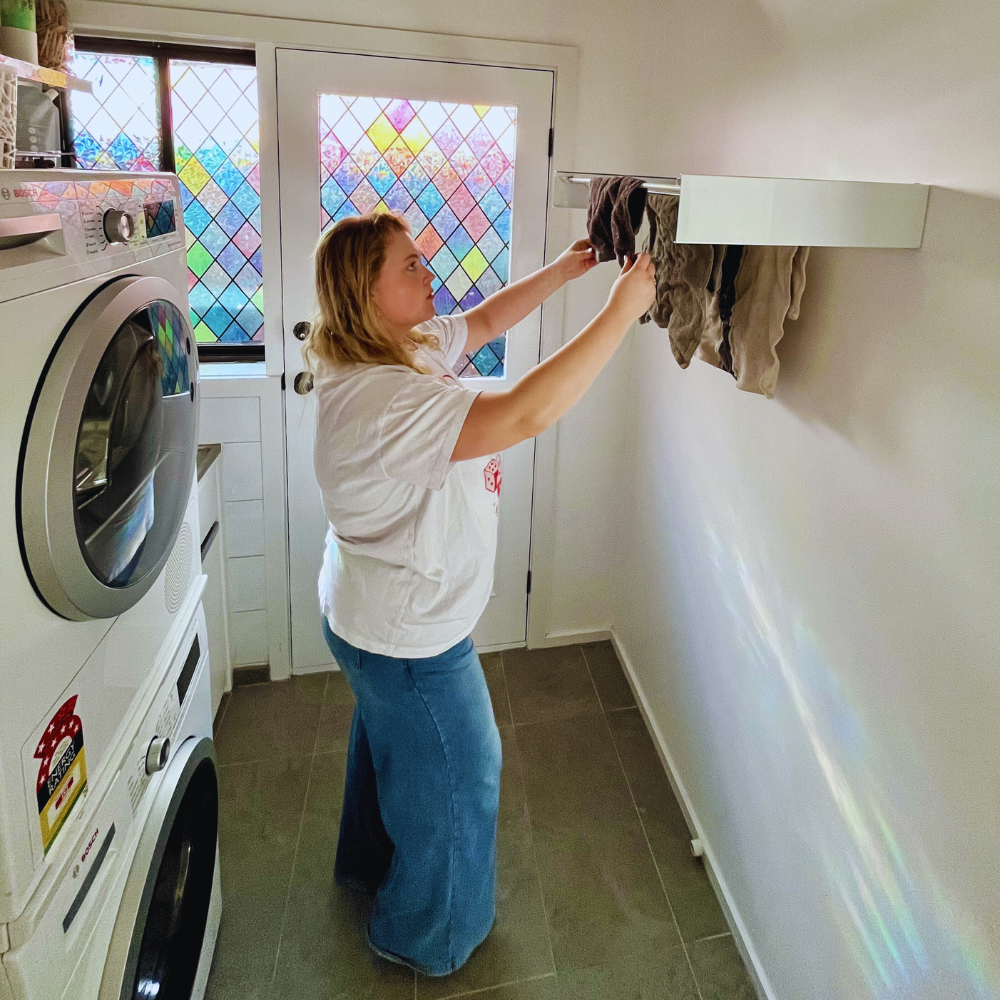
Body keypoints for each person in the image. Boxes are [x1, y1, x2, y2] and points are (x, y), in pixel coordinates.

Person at [305, 210, 655, 977]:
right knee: (464, 776)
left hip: (370, 615)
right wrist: (620, 312)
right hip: (408, 638)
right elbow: (526, 411)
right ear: (366, 292)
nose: (428, 272)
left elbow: (488, 319)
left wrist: (570, 267)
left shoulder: (394, 343)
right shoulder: (380, 398)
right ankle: (424, 935)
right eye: (410, 265)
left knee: (392, 744)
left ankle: (369, 866)